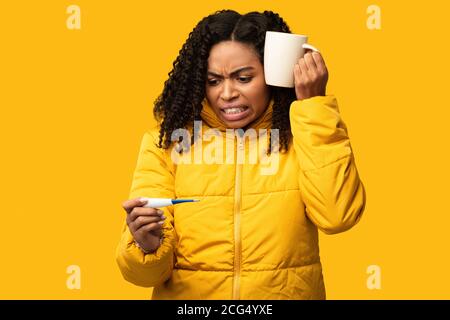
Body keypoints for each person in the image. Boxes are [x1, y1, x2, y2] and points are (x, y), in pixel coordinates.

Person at [116, 9, 366, 300]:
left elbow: (339, 217)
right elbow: (141, 276)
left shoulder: (305, 134)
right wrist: (147, 246)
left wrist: (313, 107)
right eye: (213, 81)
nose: (227, 93)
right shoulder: (166, 143)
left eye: (243, 78)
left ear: (272, 75)